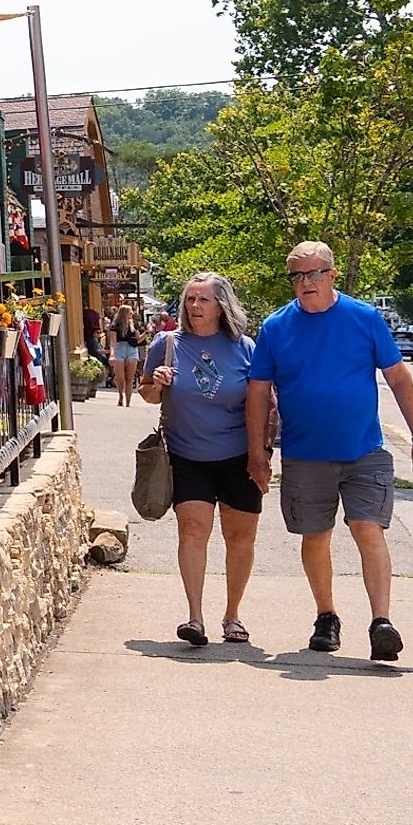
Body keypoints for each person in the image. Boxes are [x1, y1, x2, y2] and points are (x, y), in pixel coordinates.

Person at [245, 241, 413, 661]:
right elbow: (257, 393)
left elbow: (399, 378)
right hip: (305, 454)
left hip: (363, 450)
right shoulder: (276, 328)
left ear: (331, 274)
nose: (305, 282)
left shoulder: (364, 319)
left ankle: (381, 621)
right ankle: (326, 615)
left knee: (368, 528)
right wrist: (257, 452)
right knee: (316, 535)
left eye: (313, 273)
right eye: (297, 275)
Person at [141, 272, 262, 645]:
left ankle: (232, 616)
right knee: (193, 530)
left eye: (203, 300)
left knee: (240, 537)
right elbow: (147, 395)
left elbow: (262, 400)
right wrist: (155, 384)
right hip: (186, 453)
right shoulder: (167, 343)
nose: (195, 307)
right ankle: (195, 617)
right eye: (190, 299)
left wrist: (262, 453)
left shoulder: (244, 347)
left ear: (221, 305)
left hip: (238, 455)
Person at [109, 298, 146, 405]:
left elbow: (138, 340)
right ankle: (121, 395)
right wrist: (112, 354)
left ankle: (128, 402)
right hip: (119, 349)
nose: (132, 313)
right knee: (120, 377)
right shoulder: (115, 326)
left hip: (132, 350)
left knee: (129, 378)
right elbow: (112, 342)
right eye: (130, 312)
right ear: (124, 313)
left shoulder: (134, 325)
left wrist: (146, 333)